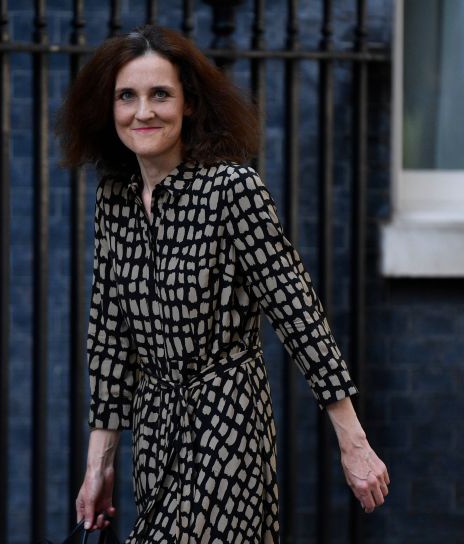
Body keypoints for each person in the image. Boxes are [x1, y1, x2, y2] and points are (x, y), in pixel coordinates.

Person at [55, 24, 389, 543]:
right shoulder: (114, 199)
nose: (143, 112)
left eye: (160, 94)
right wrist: (99, 463)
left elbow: (297, 312)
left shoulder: (232, 189)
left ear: (188, 104)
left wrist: (353, 441)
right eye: (127, 96)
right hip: (155, 430)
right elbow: (109, 337)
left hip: (228, 422)